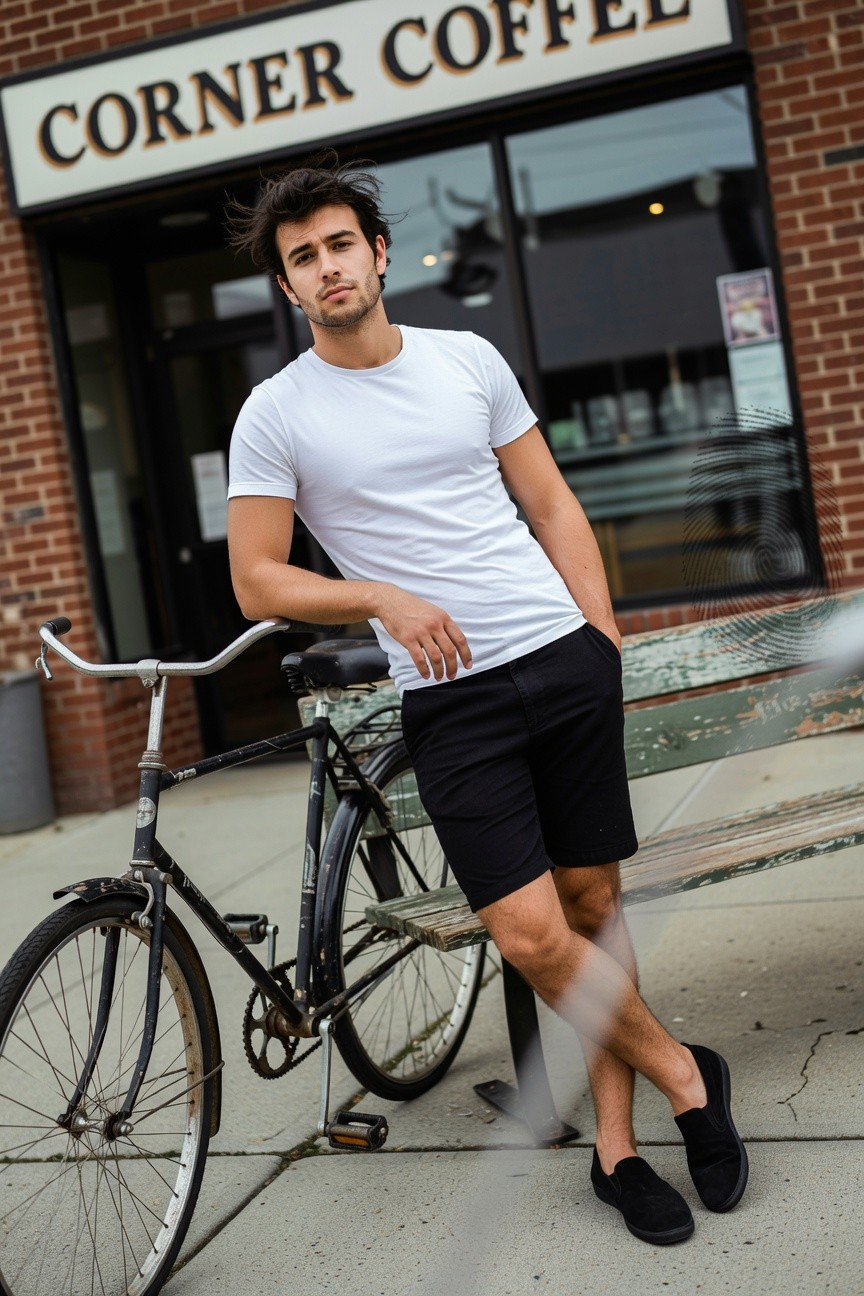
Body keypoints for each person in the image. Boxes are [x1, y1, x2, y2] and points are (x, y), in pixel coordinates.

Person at [225, 153, 748, 1245]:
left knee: (596, 909)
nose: (325, 268)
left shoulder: (468, 358)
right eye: (300, 258)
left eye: (337, 245)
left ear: (376, 252)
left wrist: (598, 634)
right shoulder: (276, 414)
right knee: (528, 930)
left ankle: (618, 1149)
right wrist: (380, 597)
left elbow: (551, 501)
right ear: (287, 286)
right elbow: (257, 577)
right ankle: (689, 1078)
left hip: (560, 661)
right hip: (451, 701)